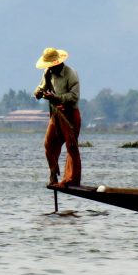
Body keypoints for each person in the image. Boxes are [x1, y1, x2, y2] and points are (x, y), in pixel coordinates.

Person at [34, 47, 82, 188]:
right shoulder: (48, 72)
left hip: (70, 114)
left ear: (58, 63)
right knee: (49, 145)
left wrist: (57, 98)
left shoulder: (71, 74)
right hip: (56, 115)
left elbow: (74, 97)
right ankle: (53, 173)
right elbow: (41, 87)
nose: (49, 67)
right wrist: (38, 93)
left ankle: (71, 180)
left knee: (71, 147)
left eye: (51, 65)